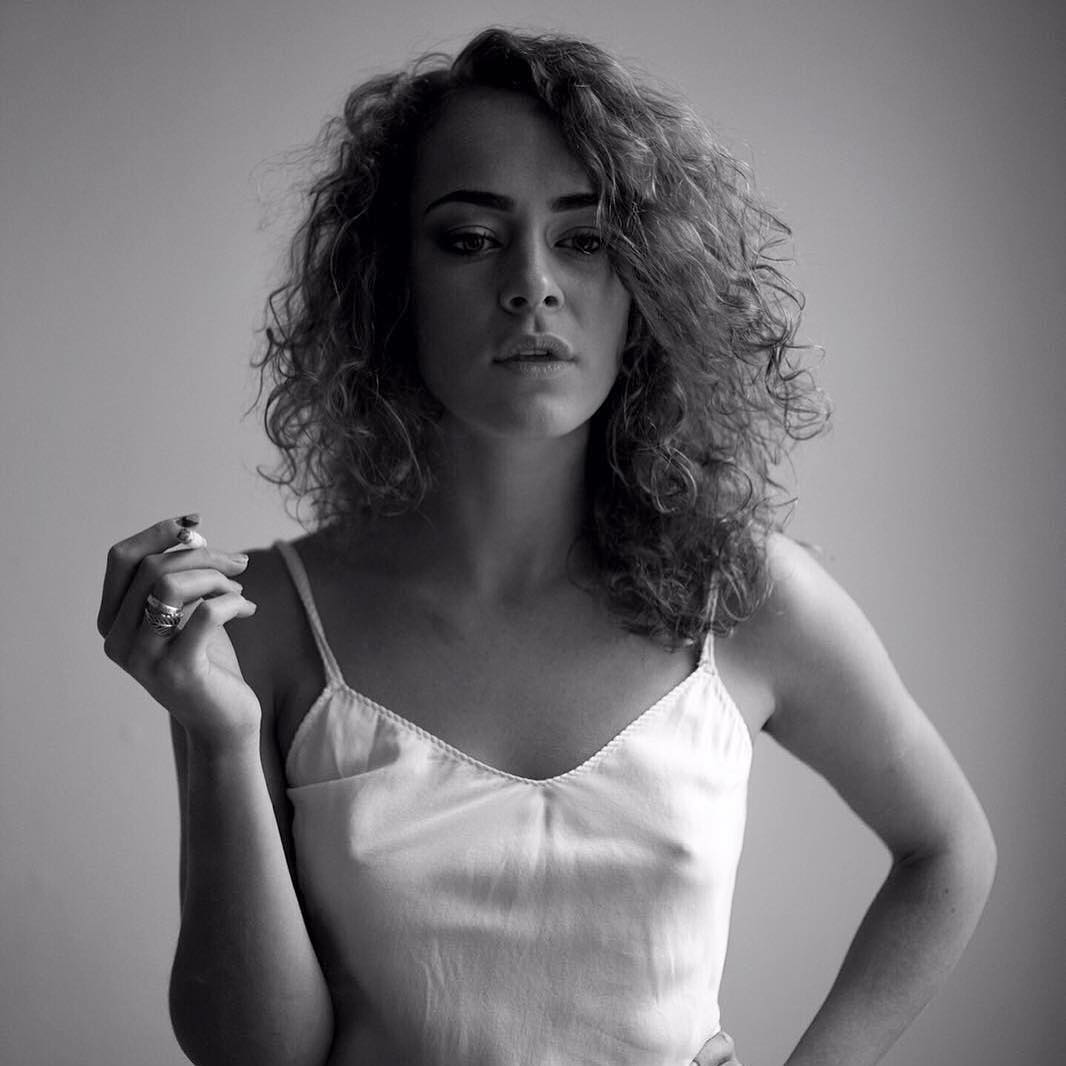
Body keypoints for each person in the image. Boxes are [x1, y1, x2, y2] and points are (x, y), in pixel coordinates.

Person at [97, 27, 996, 1066]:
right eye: (470, 239)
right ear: (391, 283)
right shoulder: (259, 624)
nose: (531, 284)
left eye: (586, 240)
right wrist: (218, 736)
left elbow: (948, 850)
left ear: (647, 284)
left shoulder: (739, 595)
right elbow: (257, 1057)